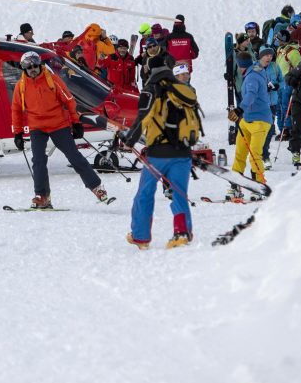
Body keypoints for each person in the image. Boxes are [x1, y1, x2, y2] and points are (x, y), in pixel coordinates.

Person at [11, 52, 111, 209]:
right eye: (29, 67)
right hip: (37, 126)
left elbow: (69, 100)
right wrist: (17, 133)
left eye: (35, 66)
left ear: (39, 65)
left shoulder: (52, 79)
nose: (32, 69)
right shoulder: (21, 86)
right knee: (38, 161)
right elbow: (16, 110)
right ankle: (42, 196)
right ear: (24, 68)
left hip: (58, 124)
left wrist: (76, 123)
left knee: (74, 156)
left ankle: (97, 188)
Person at [120, 60, 203, 249]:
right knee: (179, 193)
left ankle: (140, 237)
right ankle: (181, 233)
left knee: (145, 193)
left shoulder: (153, 91)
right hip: (183, 153)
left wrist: (129, 141)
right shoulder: (184, 92)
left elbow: (144, 117)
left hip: (158, 154)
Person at [226, 47, 275, 200]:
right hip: (247, 120)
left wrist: (239, 110)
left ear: (240, 65)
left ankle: (258, 187)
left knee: (254, 155)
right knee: (240, 154)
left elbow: (251, 95)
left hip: (260, 121)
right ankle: (235, 186)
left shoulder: (252, 76)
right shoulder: (255, 70)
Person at [274, 30, 301, 139]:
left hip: (288, 81)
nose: (276, 41)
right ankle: (282, 129)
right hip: (280, 82)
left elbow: (300, 67)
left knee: (286, 106)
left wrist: (295, 79)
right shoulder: (280, 49)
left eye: (278, 39)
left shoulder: (293, 52)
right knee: (279, 106)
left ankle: (288, 129)